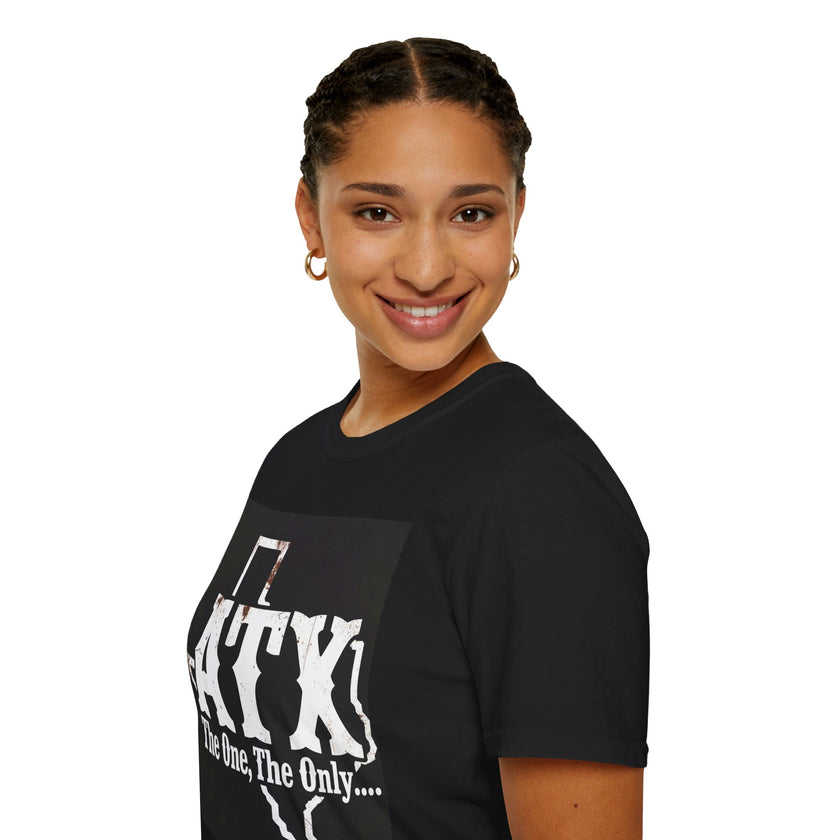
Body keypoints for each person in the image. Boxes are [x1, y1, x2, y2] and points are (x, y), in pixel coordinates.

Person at [188, 37, 649, 840]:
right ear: (311, 217)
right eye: (377, 212)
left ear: (517, 216)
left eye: (472, 213)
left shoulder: (543, 498)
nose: (428, 266)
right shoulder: (295, 461)